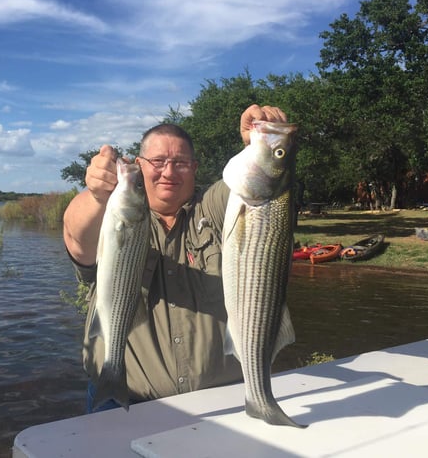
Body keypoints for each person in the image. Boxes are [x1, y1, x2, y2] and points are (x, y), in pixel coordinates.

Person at [63, 104, 289, 411]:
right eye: (158, 161)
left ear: (195, 168)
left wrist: (260, 145)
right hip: (123, 400)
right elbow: (77, 239)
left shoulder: (214, 207)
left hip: (227, 400)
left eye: (181, 162)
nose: (169, 171)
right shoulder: (111, 213)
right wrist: (96, 195)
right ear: (140, 164)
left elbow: (259, 189)